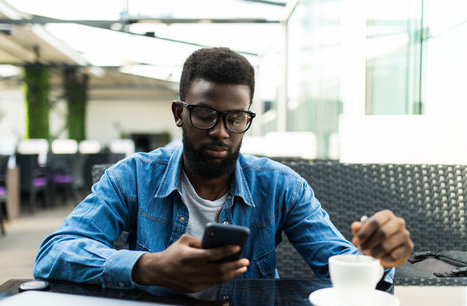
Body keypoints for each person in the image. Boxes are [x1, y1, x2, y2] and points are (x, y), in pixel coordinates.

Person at [34, 47, 413, 292]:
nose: (220, 132)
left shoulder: (282, 187)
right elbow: (53, 253)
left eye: (235, 118)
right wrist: (146, 267)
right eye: (205, 114)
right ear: (179, 114)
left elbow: (335, 265)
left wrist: (376, 260)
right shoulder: (132, 176)